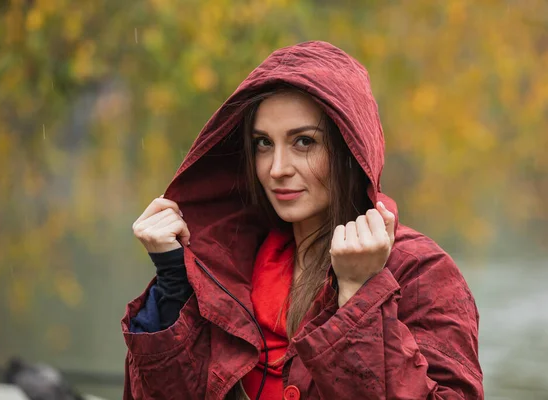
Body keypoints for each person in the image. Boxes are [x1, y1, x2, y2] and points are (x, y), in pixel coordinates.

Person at [121, 41, 483, 400]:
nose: (277, 169)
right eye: (263, 143)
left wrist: (361, 297)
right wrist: (173, 282)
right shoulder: (223, 264)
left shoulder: (419, 271)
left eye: (304, 142)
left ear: (349, 149)